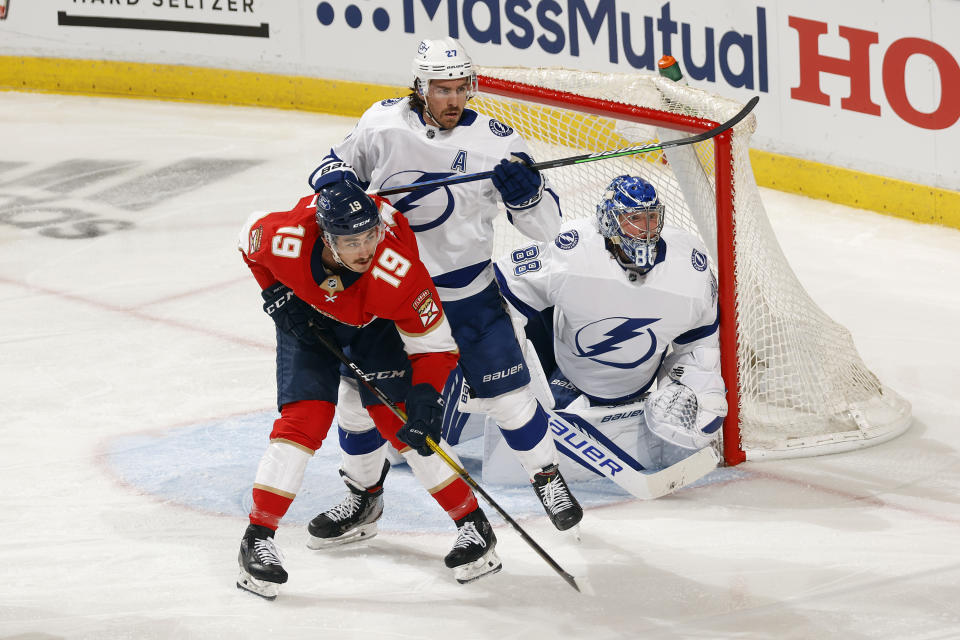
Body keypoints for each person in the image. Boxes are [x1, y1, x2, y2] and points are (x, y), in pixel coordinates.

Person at [307, 37, 582, 531]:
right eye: (442, 89)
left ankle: (547, 477)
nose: (453, 100)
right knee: (358, 400)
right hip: (389, 295)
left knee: (509, 397)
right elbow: (329, 167)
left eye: (461, 88)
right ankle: (363, 497)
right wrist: (340, 184)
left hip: (466, 294)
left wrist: (528, 196)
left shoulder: (496, 142)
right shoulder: (383, 122)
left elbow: (546, 229)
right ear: (420, 87)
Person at [235, 181, 501, 600]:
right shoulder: (284, 240)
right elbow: (248, 239)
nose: (364, 250)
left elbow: (434, 347)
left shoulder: (397, 272)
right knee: (303, 419)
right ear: (325, 236)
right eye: (350, 241)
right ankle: (258, 537)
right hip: (307, 318)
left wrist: (427, 395)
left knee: (401, 423)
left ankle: (473, 525)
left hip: (374, 323)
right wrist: (275, 293)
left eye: (369, 235)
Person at [492, 174, 728, 472]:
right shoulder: (571, 250)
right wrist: (504, 362)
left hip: (640, 388)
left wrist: (692, 387)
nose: (644, 231)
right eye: (633, 219)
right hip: (569, 376)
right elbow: (500, 290)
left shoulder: (689, 265)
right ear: (608, 222)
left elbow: (700, 344)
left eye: (651, 218)